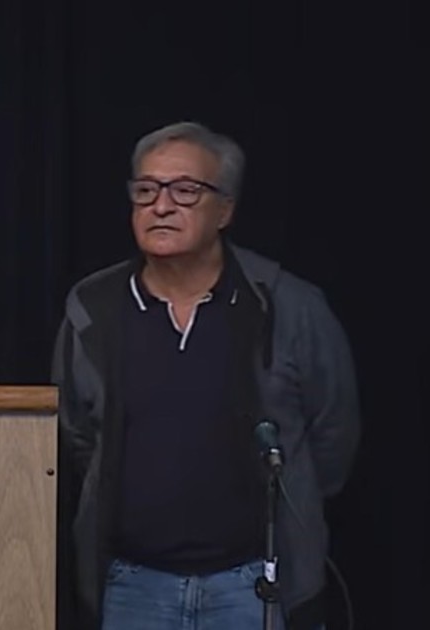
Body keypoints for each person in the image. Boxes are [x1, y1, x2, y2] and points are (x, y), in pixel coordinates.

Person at [51, 121, 360, 630]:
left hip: (255, 587)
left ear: (225, 209)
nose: (161, 206)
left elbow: (332, 438)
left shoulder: (287, 306)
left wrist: (294, 502)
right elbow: (76, 437)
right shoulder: (93, 308)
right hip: (131, 586)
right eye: (146, 190)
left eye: (185, 191)